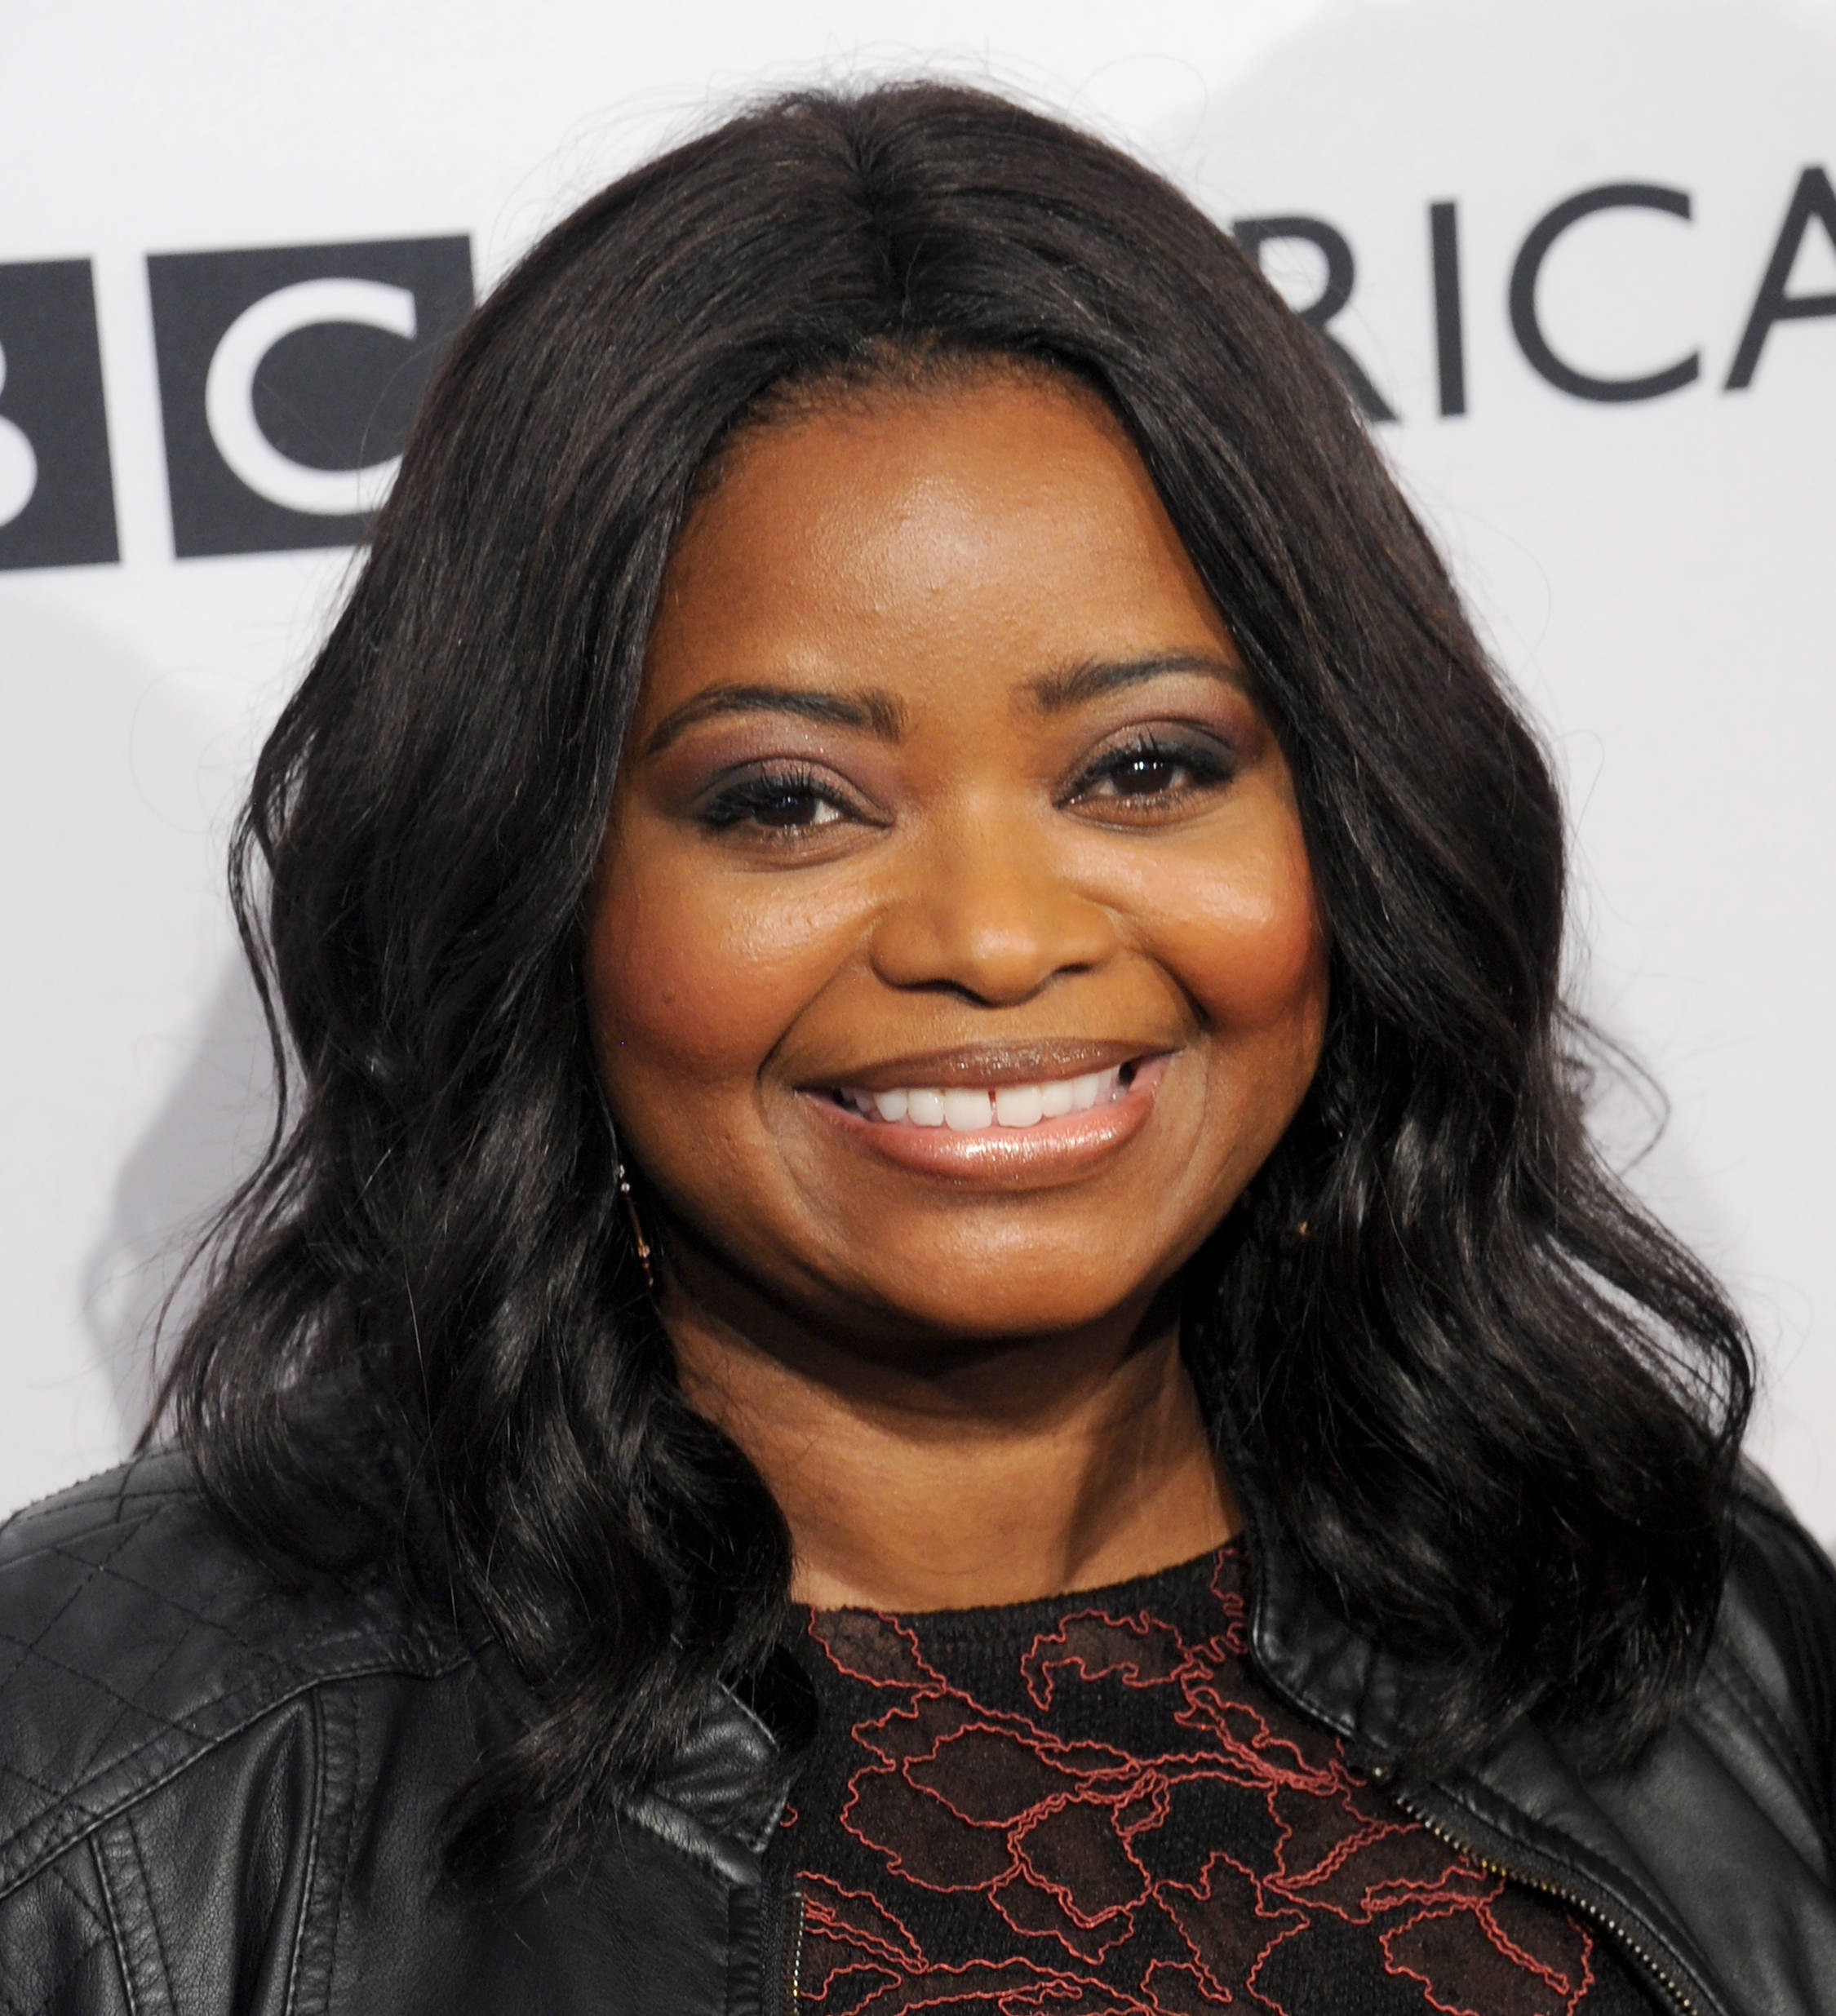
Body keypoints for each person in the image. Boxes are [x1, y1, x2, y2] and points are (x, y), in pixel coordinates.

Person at [1, 81, 1830, 2016]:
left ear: (1352, 822)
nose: (997, 937)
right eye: (789, 801)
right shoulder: (113, 1792)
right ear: (532, 879)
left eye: (1145, 768)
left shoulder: (1661, 1612)